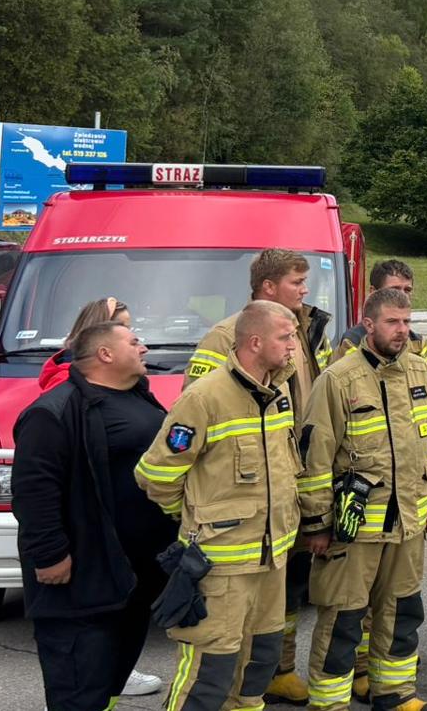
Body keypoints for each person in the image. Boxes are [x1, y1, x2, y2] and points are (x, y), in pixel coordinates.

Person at [183, 249, 331, 704]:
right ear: (268, 287)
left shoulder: (303, 329)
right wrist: (198, 512)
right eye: (296, 282)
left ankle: (278, 669)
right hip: (239, 503)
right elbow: (196, 421)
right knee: (225, 636)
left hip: (287, 482)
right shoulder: (223, 338)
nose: (305, 291)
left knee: (281, 596)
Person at [138, 301, 301, 711]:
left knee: (257, 670)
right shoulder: (205, 397)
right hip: (221, 568)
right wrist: (193, 515)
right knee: (208, 677)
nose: (294, 345)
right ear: (255, 341)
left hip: (272, 561)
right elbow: (156, 475)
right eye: (286, 336)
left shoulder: (279, 391)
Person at [297, 288, 427, 711]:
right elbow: (316, 459)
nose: (402, 331)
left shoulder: (420, 372)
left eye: (406, 321)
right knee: (343, 620)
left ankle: (394, 694)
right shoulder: (338, 379)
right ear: (369, 325)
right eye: (392, 323)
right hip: (355, 529)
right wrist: (318, 526)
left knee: (402, 614)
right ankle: (329, 703)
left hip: (408, 526)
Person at [15, 320, 169, 711]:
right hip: (83, 580)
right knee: (79, 685)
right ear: (105, 354)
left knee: (109, 680)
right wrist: (49, 554)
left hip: (133, 577)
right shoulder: (54, 411)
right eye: (134, 341)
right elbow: (34, 490)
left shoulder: (139, 396)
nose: (144, 348)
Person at [338, 260, 427, 365]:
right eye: (394, 290)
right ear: (373, 292)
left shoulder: (418, 343)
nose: (402, 296)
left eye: (407, 290)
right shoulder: (353, 342)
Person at [39, 298, 131, 390]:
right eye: (123, 328)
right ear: (98, 332)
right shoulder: (65, 381)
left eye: (129, 329)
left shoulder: (120, 374)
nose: (131, 336)